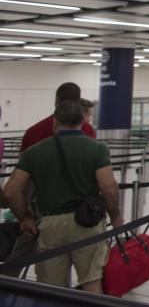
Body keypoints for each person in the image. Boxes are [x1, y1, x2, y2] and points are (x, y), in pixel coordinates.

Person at [3, 100, 122, 292]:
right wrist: (115, 216)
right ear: (83, 121)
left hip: (50, 226)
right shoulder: (97, 148)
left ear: (55, 122)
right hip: (88, 225)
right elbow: (109, 188)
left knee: (52, 289)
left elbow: (10, 191)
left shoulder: (35, 152)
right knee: (91, 282)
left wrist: (24, 217)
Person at [20, 82, 96, 152]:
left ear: (56, 101)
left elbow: (23, 162)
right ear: (78, 103)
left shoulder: (33, 131)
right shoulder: (88, 130)